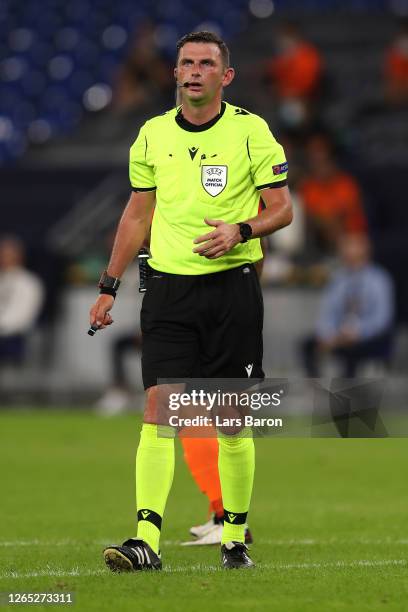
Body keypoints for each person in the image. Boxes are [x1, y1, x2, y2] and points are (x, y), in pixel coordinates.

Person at [89, 31, 292, 571]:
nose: (195, 71)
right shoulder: (153, 135)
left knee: (232, 419)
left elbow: (282, 208)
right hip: (168, 290)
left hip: (232, 288)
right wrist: (108, 286)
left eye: (207, 63)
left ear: (225, 76)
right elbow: (137, 215)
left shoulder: (251, 131)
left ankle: (233, 538)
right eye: (187, 63)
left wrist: (242, 230)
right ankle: (145, 541)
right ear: (175, 73)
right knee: (159, 410)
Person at [301, 234, 394, 378]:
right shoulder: (338, 279)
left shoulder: (379, 279)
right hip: (339, 334)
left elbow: (382, 319)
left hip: (368, 336)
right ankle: (316, 385)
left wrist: (358, 332)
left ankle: (351, 391)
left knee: (352, 350)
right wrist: (328, 334)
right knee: (308, 345)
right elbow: (327, 312)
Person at [0, 236, 44, 367]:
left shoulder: (29, 283)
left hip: (14, 336)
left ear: (19, 256)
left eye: (8, 254)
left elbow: (24, 316)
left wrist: (2, 326)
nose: (5, 258)